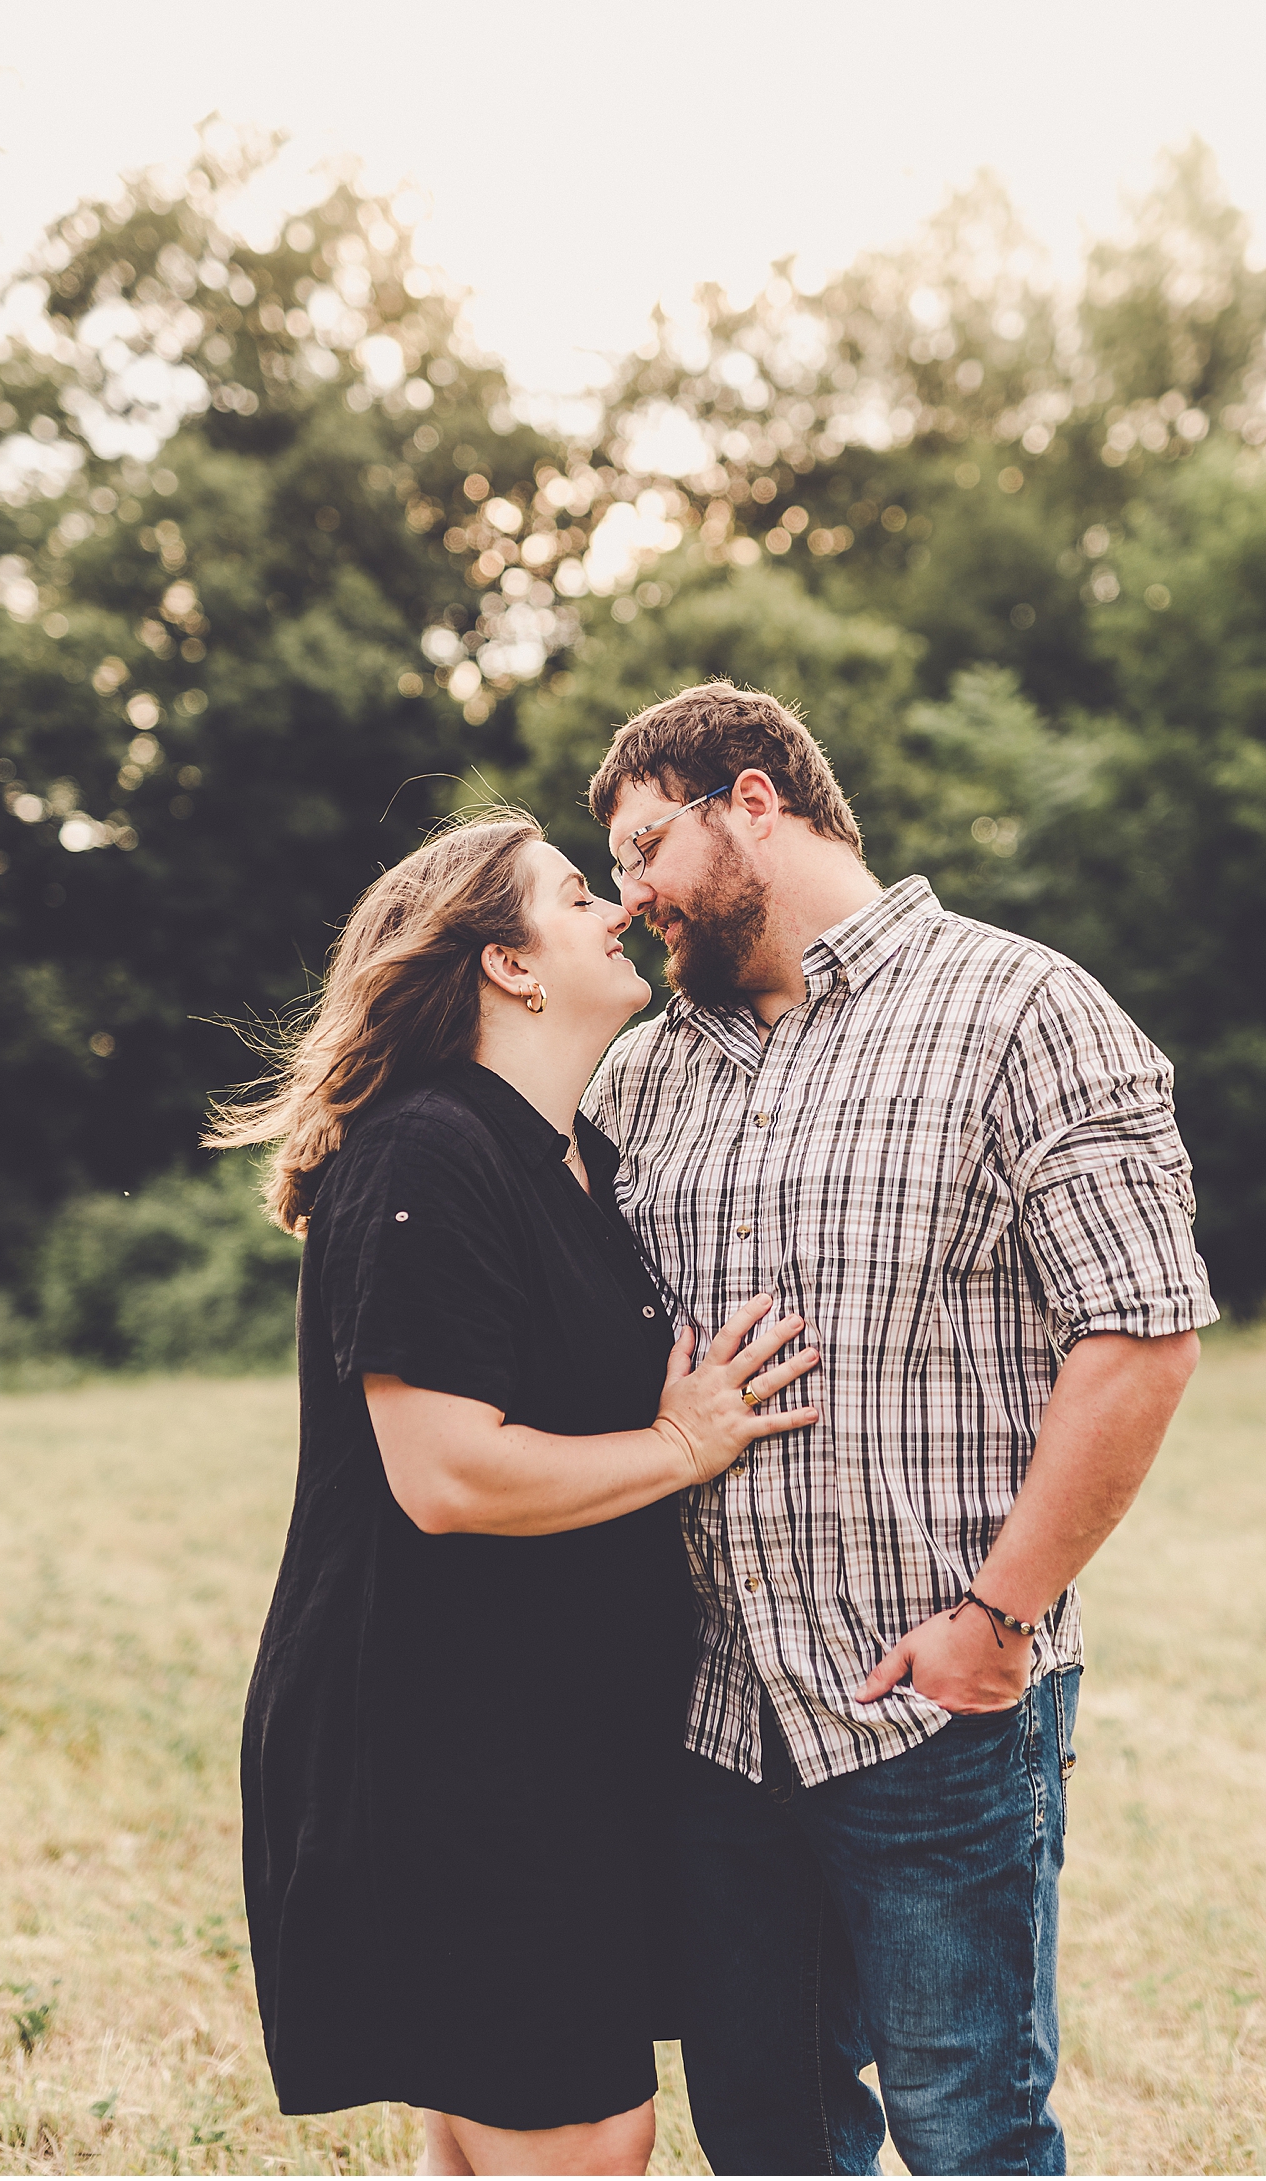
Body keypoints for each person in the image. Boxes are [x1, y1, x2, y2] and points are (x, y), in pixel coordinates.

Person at [581, 684, 1220, 2179]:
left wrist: (996, 1618)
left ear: (752, 798)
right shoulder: (644, 1070)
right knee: (767, 2134)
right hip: (714, 1718)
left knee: (971, 2131)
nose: (630, 901)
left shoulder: (1021, 1008)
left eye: (640, 848)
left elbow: (1139, 1334)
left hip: (930, 1704)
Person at [207, 814, 820, 2179]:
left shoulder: (570, 1158)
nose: (617, 908)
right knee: (588, 2136)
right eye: (575, 892)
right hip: (444, 1745)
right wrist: (685, 1442)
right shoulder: (430, 1149)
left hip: (546, 1737)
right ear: (510, 963)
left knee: (490, 2140)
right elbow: (446, 1472)